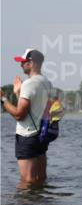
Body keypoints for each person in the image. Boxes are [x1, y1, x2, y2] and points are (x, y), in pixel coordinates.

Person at [2, 49, 53, 188]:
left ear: (31, 63)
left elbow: (20, 114)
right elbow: (31, 109)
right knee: (40, 178)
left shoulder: (29, 84)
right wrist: (18, 93)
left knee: (27, 180)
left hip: (27, 136)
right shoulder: (47, 82)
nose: (21, 65)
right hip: (41, 136)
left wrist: (3, 99)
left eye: (23, 62)